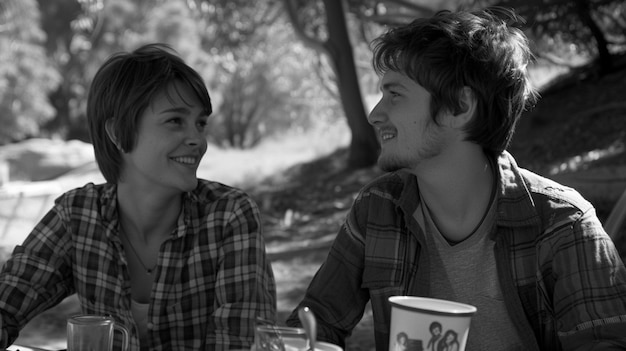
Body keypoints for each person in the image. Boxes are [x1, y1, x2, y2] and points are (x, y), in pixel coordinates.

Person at [286, 7, 626, 351]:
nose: (375, 114)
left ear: (459, 107)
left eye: (395, 94)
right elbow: (315, 323)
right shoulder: (378, 209)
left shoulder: (563, 224)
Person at [0, 43, 276, 350]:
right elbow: (9, 300)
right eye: (175, 121)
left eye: (200, 123)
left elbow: (241, 344)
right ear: (118, 133)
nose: (197, 139)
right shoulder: (78, 215)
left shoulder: (229, 216)